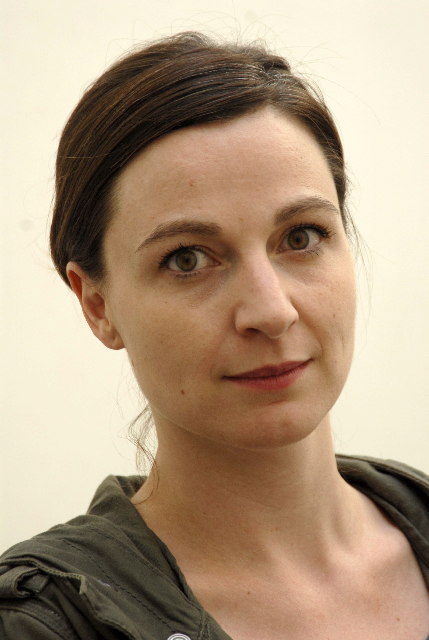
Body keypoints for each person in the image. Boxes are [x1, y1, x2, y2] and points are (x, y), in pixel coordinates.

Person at [1, 31, 429, 640]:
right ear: (97, 305)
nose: (271, 312)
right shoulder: (47, 624)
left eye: (302, 237)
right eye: (187, 259)